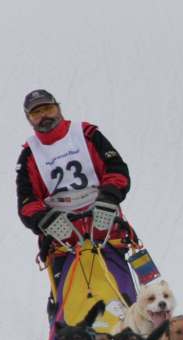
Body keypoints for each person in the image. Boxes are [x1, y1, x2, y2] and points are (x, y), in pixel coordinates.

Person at [15, 89, 138, 327]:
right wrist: (45, 219)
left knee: (121, 285)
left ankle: (135, 333)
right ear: (29, 118)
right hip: (62, 239)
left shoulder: (87, 135)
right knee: (67, 295)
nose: (44, 116)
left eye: (48, 109)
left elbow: (117, 170)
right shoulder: (29, 155)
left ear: (58, 108)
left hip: (105, 227)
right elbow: (26, 203)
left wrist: (109, 197)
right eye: (36, 113)